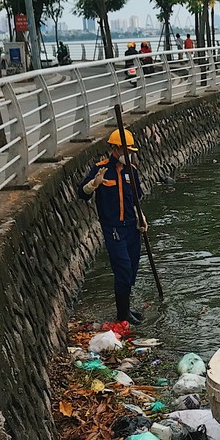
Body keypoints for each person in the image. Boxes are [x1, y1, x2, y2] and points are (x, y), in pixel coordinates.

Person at [78, 129, 148, 324]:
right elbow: (82, 193)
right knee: (123, 269)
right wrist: (93, 184)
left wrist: (141, 218)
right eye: (127, 150)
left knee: (132, 268)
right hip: (114, 228)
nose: (130, 154)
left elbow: (136, 199)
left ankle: (125, 307)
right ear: (117, 149)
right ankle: (122, 315)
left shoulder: (131, 171)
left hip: (131, 227)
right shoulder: (101, 169)